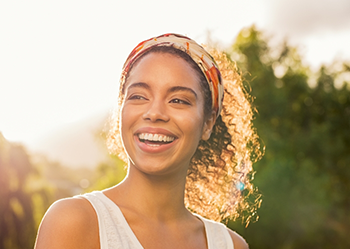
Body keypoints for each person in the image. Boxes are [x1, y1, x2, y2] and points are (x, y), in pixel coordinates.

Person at [34, 33, 261, 249]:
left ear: (208, 123)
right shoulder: (73, 222)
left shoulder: (230, 245)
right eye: (139, 96)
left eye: (178, 100)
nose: (154, 113)